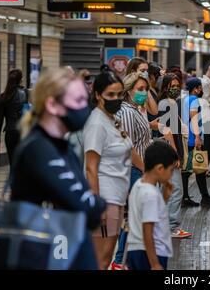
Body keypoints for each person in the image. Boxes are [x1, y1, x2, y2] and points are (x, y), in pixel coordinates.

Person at [10, 68, 106, 269]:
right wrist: (98, 203)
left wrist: (94, 203)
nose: (84, 108)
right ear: (52, 104)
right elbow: (85, 207)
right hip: (48, 253)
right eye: (78, 101)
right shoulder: (39, 149)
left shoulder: (61, 146)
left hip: (66, 248)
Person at [83, 72, 133, 270]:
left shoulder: (111, 119)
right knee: (100, 260)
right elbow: (90, 167)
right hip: (106, 198)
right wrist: (98, 205)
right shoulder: (96, 124)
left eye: (120, 95)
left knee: (105, 258)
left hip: (117, 197)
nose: (116, 99)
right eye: (110, 95)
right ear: (97, 95)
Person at [110, 72, 158, 269]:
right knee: (133, 219)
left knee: (134, 219)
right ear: (128, 91)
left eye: (146, 89)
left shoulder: (136, 110)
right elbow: (128, 148)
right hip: (133, 171)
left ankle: (122, 260)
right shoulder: (127, 112)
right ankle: (119, 260)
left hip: (138, 170)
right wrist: (145, 169)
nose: (144, 93)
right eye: (139, 89)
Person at [126, 140, 179, 270]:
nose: (171, 174)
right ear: (160, 168)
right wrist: (155, 263)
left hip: (135, 250)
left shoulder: (138, 186)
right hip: (151, 252)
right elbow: (147, 230)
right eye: (171, 170)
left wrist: (164, 198)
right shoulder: (151, 195)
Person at [158, 74, 193, 238]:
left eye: (177, 85)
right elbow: (167, 131)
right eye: (172, 85)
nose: (176, 88)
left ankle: (164, 225)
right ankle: (172, 227)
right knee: (176, 189)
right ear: (165, 87)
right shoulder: (167, 105)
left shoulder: (170, 103)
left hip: (165, 152)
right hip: (168, 152)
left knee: (168, 189)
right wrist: (175, 154)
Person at [181, 78, 210, 208]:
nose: (201, 90)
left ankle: (187, 197)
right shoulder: (194, 100)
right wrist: (198, 137)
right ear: (195, 89)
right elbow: (194, 118)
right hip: (194, 140)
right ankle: (203, 198)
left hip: (188, 138)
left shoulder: (185, 100)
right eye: (199, 88)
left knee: (189, 170)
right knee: (199, 169)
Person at [0, 69, 28, 165]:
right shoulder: (25, 93)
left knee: (13, 164)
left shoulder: (3, 97)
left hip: (10, 133)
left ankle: (14, 179)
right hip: (23, 132)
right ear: (20, 80)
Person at [148, 62, 162, 138]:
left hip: (158, 130)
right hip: (152, 132)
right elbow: (155, 112)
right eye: (158, 76)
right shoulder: (147, 92)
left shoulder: (156, 89)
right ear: (151, 76)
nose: (160, 78)